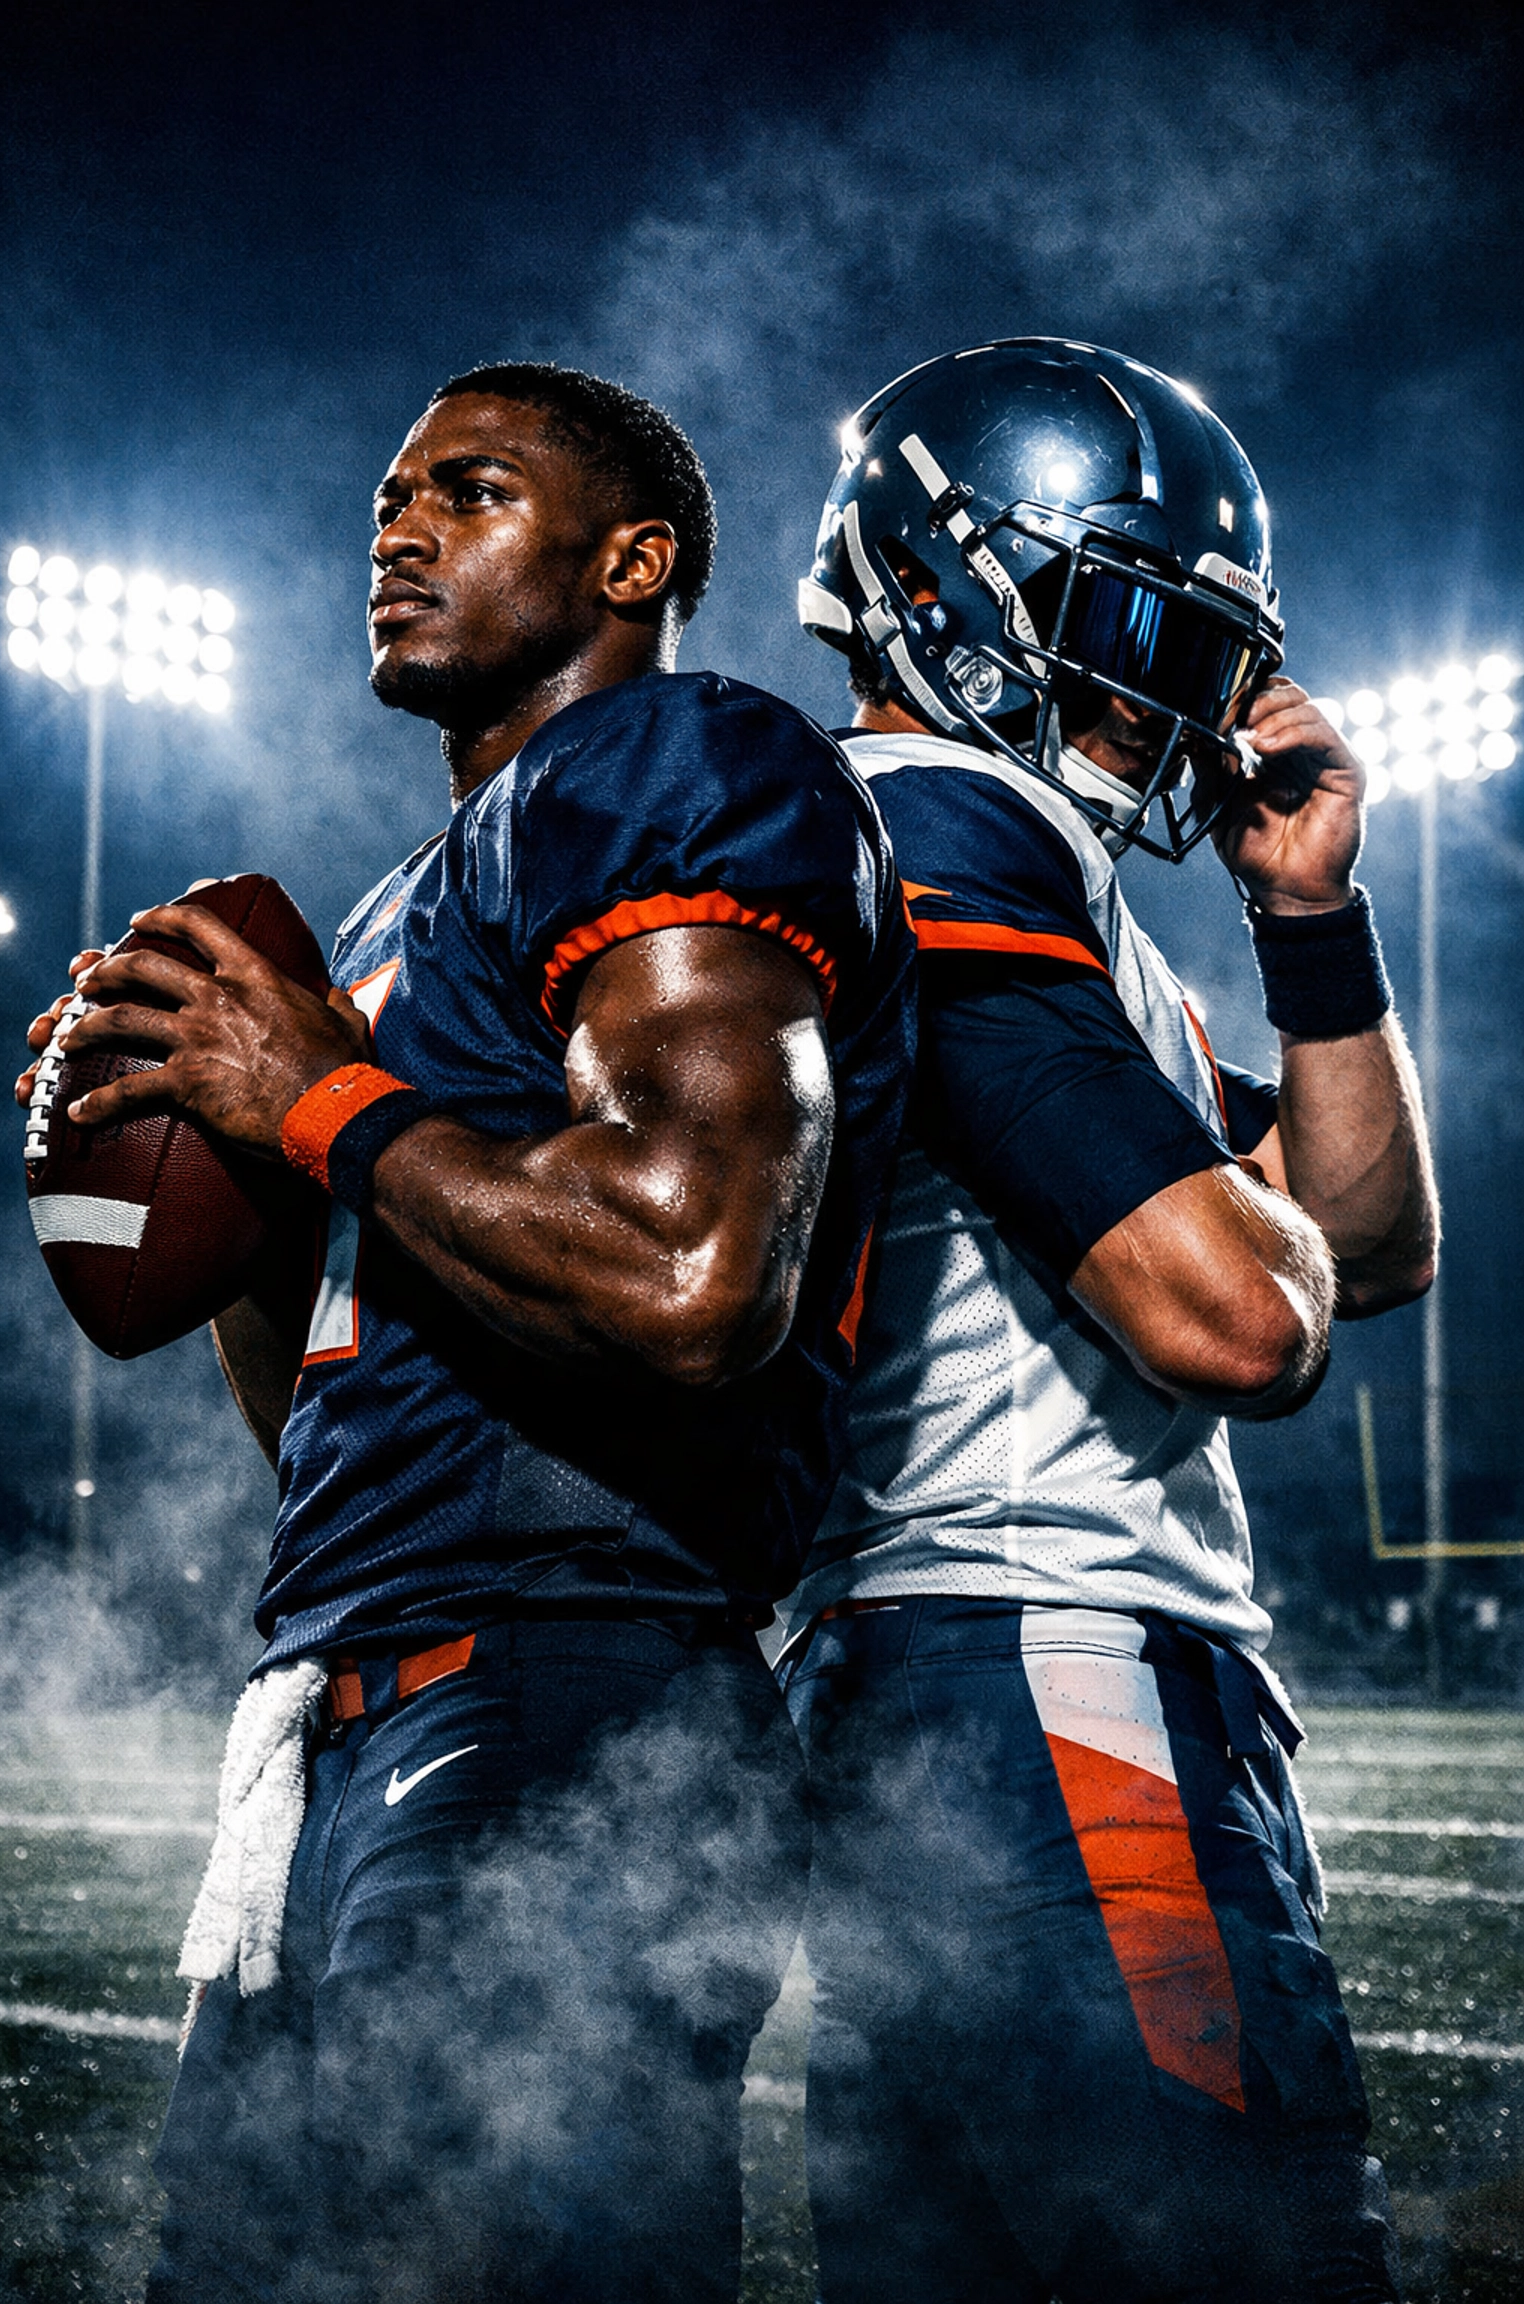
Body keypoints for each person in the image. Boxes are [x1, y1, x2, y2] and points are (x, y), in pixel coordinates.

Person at [18, 362, 913, 2303]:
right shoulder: (380, 918)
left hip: (569, 1691)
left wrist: (320, 1109)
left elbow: (696, 1277)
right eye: (384, 508)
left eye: (469, 493)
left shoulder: (675, 765)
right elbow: (331, 1421)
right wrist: (241, 1197)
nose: (399, 534)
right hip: (351, 1680)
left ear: (633, 557)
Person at [780, 337, 1437, 2302]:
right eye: (1133, 613)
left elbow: (1372, 1243)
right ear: (954, 576)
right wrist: (1263, 1255)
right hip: (1055, 1681)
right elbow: (1250, 1319)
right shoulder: (949, 826)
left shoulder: (1022, 880)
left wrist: (1310, 918)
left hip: (921, 1698)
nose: (1175, 690)